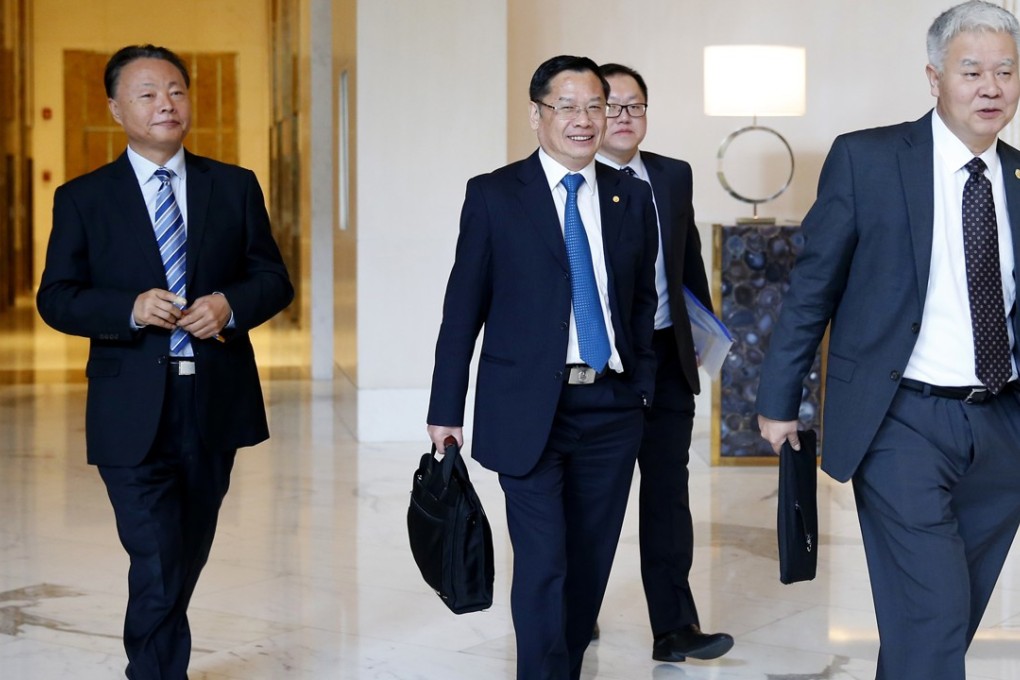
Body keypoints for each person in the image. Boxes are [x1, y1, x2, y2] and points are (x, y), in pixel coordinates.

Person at [755, 2, 1020, 678]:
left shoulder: (1018, 178)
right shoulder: (867, 160)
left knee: (938, 620)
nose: (990, 87)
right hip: (901, 418)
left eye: (1005, 72)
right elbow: (811, 290)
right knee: (932, 612)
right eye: (972, 71)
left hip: (1003, 425)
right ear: (934, 78)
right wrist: (778, 397)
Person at [37, 44, 293, 679]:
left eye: (176, 90)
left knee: (187, 548)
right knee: (155, 552)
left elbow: (273, 279)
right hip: (130, 405)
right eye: (147, 93)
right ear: (115, 107)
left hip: (212, 398)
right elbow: (56, 298)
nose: (165, 104)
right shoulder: (83, 198)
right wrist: (128, 308)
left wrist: (229, 306)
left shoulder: (233, 186)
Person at [426, 55, 659, 680]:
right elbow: (461, 310)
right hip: (529, 409)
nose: (584, 120)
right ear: (537, 115)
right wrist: (444, 411)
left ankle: (566, 667)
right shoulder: (495, 195)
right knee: (543, 563)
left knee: (588, 564)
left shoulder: (631, 197)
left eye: (596, 107)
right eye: (568, 106)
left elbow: (640, 303)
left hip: (611, 408)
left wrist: (641, 387)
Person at [595, 63, 734, 663]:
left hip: (666, 359)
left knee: (669, 501)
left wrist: (701, 335)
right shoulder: (575, 182)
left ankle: (674, 627)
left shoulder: (673, 176)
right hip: (605, 368)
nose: (625, 118)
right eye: (613, 106)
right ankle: (575, 616)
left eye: (636, 106)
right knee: (594, 500)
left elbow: (688, 266)